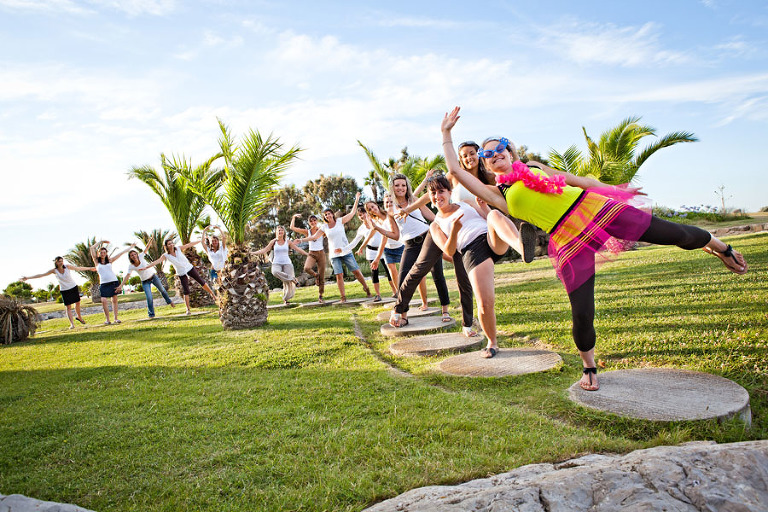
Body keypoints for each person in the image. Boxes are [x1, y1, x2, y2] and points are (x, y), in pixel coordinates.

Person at [441, 106, 748, 390]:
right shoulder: (498, 194)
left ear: (510, 153)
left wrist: (613, 190)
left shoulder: (534, 167)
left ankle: (721, 247)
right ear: (485, 163)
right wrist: (446, 134)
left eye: (500, 149)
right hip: (568, 237)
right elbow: (455, 170)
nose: (495, 155)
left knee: (674, 233)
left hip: (595, 208)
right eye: (488, 154)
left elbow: (578, 180)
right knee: (582, 310)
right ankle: (589, 366)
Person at [427, 175, 526, 357]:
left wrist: (483, 207)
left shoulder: (465, 202)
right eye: (433, 193)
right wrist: (455, 231)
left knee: (495, 214)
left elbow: (488, 218)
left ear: (449, 192)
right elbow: (448, 251)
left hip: (489, 237)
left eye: (441, 191)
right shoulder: (436, 225)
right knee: (484, 303)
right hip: (471, 250)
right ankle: (492, 342)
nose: (437, 196)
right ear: (429, 196)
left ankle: (521, 247)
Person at [367, 173, 452, 324]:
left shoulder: (414, 200)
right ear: (392, 188)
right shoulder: (390, 208)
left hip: (428, 238)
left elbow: (432, 217)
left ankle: (445, 310)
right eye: (397, 185)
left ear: (407, 187)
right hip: (410, 244)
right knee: (403, 278)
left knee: (437, 274)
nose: (400, 188)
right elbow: (395, 234)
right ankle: (403, 316)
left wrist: (447, 224)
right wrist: (378, 229)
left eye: (403, 185)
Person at [298, 192, 372, 303]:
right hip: (334, 255)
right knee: (339, 275)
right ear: (324, 217)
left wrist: (356, 199)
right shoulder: (324, 227)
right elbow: (314, 236)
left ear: (332, 214)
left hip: (346, 251)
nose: (328, 216)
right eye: (325, 215)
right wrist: (301, 240)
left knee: (356, 271)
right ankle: (343, 297)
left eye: (329, 213)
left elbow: (352, 213)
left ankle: (366, 289)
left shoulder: (340, 221)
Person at [139, 238, 217, 315]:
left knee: (201, 281)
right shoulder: (166, 255)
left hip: (189, 268)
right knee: (186, 290)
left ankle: (213, 295)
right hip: (181, 273)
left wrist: (200, 241)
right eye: (169, 244)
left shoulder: (178, 249)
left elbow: (189, 244)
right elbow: (156, 262)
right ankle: (188, 309)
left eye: (172, 243)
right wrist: (146, 267)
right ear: (166, 246)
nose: (172, 244)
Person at [20, 257, 93, 329]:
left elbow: (78, 268)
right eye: (59, 261)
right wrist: (28, 278)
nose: (61, 262)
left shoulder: (67, 267)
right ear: (56, 262)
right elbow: (41, 275)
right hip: (64, 290)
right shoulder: (54, 271)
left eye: (62, 261)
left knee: (77, 303)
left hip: (73, 287)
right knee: (68, 307)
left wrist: (90, 268)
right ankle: (72, 324)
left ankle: (79, 317)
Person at [345, 208, 397, 301]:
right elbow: (354, 242)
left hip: (382, 249)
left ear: (367, 213)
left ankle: (395, 291)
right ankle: (378, 295)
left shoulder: (376, 222)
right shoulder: (361, 229)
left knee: (389, 271)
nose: (362, 216)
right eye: (360, 215)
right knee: (374, 273)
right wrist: (344, 249)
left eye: (364, 213)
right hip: (371, 251)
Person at [117, 239, 174, 318]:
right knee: (149, 297)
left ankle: (169, 301)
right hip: (145, 282)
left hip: (153, 277)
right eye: (132, 255)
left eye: (134, 254)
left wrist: (150, 240)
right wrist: (121, 285)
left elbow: (146, 248)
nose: (134, 256)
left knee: (162, 290)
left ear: (137, 254)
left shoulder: (141, 256)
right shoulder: (131, 266)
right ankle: (151, 314)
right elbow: (127, 276)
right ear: (130, 258)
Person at [255, 226, 309, 305]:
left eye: (282, 230)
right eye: (279, 230)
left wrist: (307, 254)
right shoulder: (273, 242)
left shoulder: (288, 242)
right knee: (275, 272)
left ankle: (286, 299)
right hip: (276, 263)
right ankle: (293, 279)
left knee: (287, 283)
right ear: (276, 232)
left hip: (287, 263)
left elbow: (297, 249)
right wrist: (253, 253)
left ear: (284, 232)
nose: (280, 232)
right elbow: (264, 250)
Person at [365, 195, 405, 296]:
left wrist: (377, 228)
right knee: (392, 271)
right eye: (370, 209)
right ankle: (399, 293)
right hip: (388, 249)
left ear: (377, 206)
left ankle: (408, 290)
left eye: (373, 206)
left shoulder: (389, 215)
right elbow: (383, 240)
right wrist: (377, 259)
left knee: (406, 270)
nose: (372, 209)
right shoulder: (377, 221)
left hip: (400, 246)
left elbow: (393, 234)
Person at [90, 240, 135, 325]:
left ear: (106, 253)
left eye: (104, 252)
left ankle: (116, 318)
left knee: (114, 300)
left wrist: (131, 247)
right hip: (103, 284)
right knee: (103, 300)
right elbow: (92, 248)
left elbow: (121, 253)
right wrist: (101, 241)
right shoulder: (96, 261)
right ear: (99, 253)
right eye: (101, 252)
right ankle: (107, 319)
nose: (103, 254)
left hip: (113, 282)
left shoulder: (110, 260)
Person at [290, 213, 327, 303]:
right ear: (309, 223)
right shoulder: (307, 232)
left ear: (317, 221)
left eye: (314, 220)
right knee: (307, 268)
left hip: (321, 253)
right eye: (311, 221)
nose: (313, 222)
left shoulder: (322, 230)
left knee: (322, 276)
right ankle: (316, 275)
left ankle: (320, 295)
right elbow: (292, 228)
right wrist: (293, 217)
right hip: (312, 253)